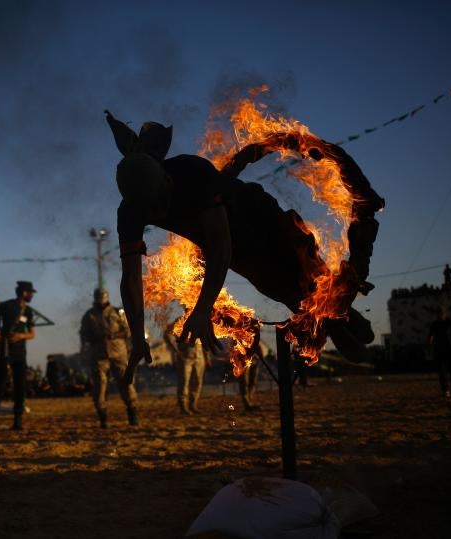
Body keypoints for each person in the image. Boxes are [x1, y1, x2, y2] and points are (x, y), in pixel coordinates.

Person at [104, 111, 378, 381]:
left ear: (166, 179)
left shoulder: (192, 173)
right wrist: (137, 336)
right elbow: (130, 279)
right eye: (150, 211)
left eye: (160, 202)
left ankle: (344, 320)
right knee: (296, 298)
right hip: (241, 256)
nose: (158, 213)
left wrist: (203, 309)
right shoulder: (130, 212)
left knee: (312, 290)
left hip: (265, 224)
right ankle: (343, 323)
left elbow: (219, 246)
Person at [80, 287, 138, 427]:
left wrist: (113, 336)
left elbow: (127, 331)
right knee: (100, 384)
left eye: (102, 295)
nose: (101, 298)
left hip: (119, 353)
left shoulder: (118, 312)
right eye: (98, 296)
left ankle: (132, 412)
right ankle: (103, 417)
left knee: (126, 382)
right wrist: (93, 340)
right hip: (99, 355)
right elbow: (84, 335)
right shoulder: (89, 315)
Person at [0, 281, 37, 431]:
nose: (32, 295)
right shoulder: (6, 305)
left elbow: (32, 334)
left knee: (20, 387)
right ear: (23, 293)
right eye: (30, 292)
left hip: (20, 353)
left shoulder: (28, 311)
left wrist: (21, 336)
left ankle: (18, 421)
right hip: (4, 350)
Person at [164, 317, 211, 415]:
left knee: (197, 381)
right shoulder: (180, 320)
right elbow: (166, 334)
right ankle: (183, 406)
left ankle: (193, 405)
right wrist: (176, 349)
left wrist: (208, 357)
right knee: (184, 382)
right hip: (185, 356)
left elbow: (206, 338)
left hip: (199, 355)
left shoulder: (201, 319)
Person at [429, 306, 451, 397]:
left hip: (450, 349)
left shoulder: (450, 322)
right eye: (438, 313)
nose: (439, 314)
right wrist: (429, 345)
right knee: (442, 371)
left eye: (441, 312)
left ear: (444, 313)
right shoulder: (434, 324)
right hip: (439, 350)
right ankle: (446, 390)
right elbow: (431, 335)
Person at [239, 339, 265, 412]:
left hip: (254, 360)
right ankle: (247, 404)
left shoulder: (252, 333)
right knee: (244, 383)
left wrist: (260, 355)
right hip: (244, 361)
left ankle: (250, 401)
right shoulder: (238, 334)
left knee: (252, 382)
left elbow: (258, 344)